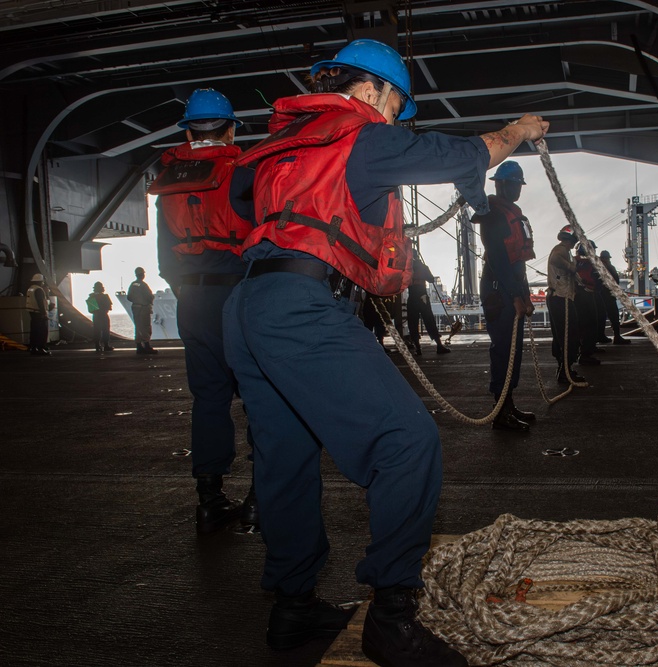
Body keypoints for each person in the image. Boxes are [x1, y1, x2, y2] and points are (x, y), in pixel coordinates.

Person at [222, 39, 548, 664]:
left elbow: (247, 205)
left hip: (248, 307)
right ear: (371, 90)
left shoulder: (279, 146)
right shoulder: (360, 135)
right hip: (300, 306)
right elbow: (458, 153)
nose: (397, 115)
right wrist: (516, 130)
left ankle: (293, 612)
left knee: (285, 464)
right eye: (396, 102)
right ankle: (392, 614)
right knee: (406, 442)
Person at [150, 88, 257, 535]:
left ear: (189, 129)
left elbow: (164, 259)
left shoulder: (168, 178)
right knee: (259, 396)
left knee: (209, 399)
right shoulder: (244, 171)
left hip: (192, 300)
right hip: (240, 296)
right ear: (230, 127)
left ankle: (210, 501)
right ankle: (261, 498)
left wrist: (191, 286)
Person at [476, 160, 535, 431]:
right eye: (511, 184)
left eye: (518, 185)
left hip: (511, 287)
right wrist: (514, 295)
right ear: (499, 184)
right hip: (499, 292)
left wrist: (525, 295)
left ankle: (508, 405)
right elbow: (499, 260)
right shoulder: (493, 215)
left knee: (514, 351)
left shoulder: (511, 214)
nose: (515, 190)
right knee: (503, 351)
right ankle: (500, 412)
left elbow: (517, 264)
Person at [546, 225, 585, 384]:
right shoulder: (561, 250)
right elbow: (556, 259)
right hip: (561, 298)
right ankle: (565, 371)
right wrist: (572, 267)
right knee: (570, 335)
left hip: (559, 297)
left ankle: (564, 369)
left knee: (561, 335)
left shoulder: (564, 250)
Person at [406, 257, 450, 355]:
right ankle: (439, 345)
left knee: (413, 322)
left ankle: (418, 348)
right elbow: (430, 279)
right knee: (429, 320)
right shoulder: (423, 267)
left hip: (412, 297)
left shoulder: (407, 268)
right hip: (423, 297)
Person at [574, 243, 601, 366]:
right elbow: (598, 279)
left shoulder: (574, 262)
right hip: (587, 294)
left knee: (582, 325)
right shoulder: (591, 263)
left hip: (578, 296)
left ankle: (586, 349)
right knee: (590, 324)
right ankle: (586, 353)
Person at [598, 250, 630, 345]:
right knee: (612, 316)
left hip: (604, 295)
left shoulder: (599, 266)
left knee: (603, 317)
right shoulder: (606, 267)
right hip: (607, 295)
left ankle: (602, 336)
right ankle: (614, 336)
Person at [126, 267, 157, 354]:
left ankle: (139, 346)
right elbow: (149, 296)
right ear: (142, 274)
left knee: (138, 326)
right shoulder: (143, 285)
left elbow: (129, 297)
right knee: (145, 326)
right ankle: (147, 345)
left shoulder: (133, 284)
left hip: (135, 307)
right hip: (144, 308)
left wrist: (136, 300)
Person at [26, 274, 51, 355]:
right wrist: (44, 313)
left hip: (32, 312)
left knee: (34, 331)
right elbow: (41, 302)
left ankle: (33, 347)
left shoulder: (31, 288)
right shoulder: (39, 289)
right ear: (40, 281)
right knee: (42, 331)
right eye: (42, 281)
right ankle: (40, 348)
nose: (43, 283)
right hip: (38, 313)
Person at [87, 282, 114, 352]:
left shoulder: (91, 297)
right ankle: (106, 345)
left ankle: (97, 346)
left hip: (96, 316)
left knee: (96, 331)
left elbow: (90, 310)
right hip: (104, 315)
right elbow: (109, 307)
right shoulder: (105, 296)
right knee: (105, 330)